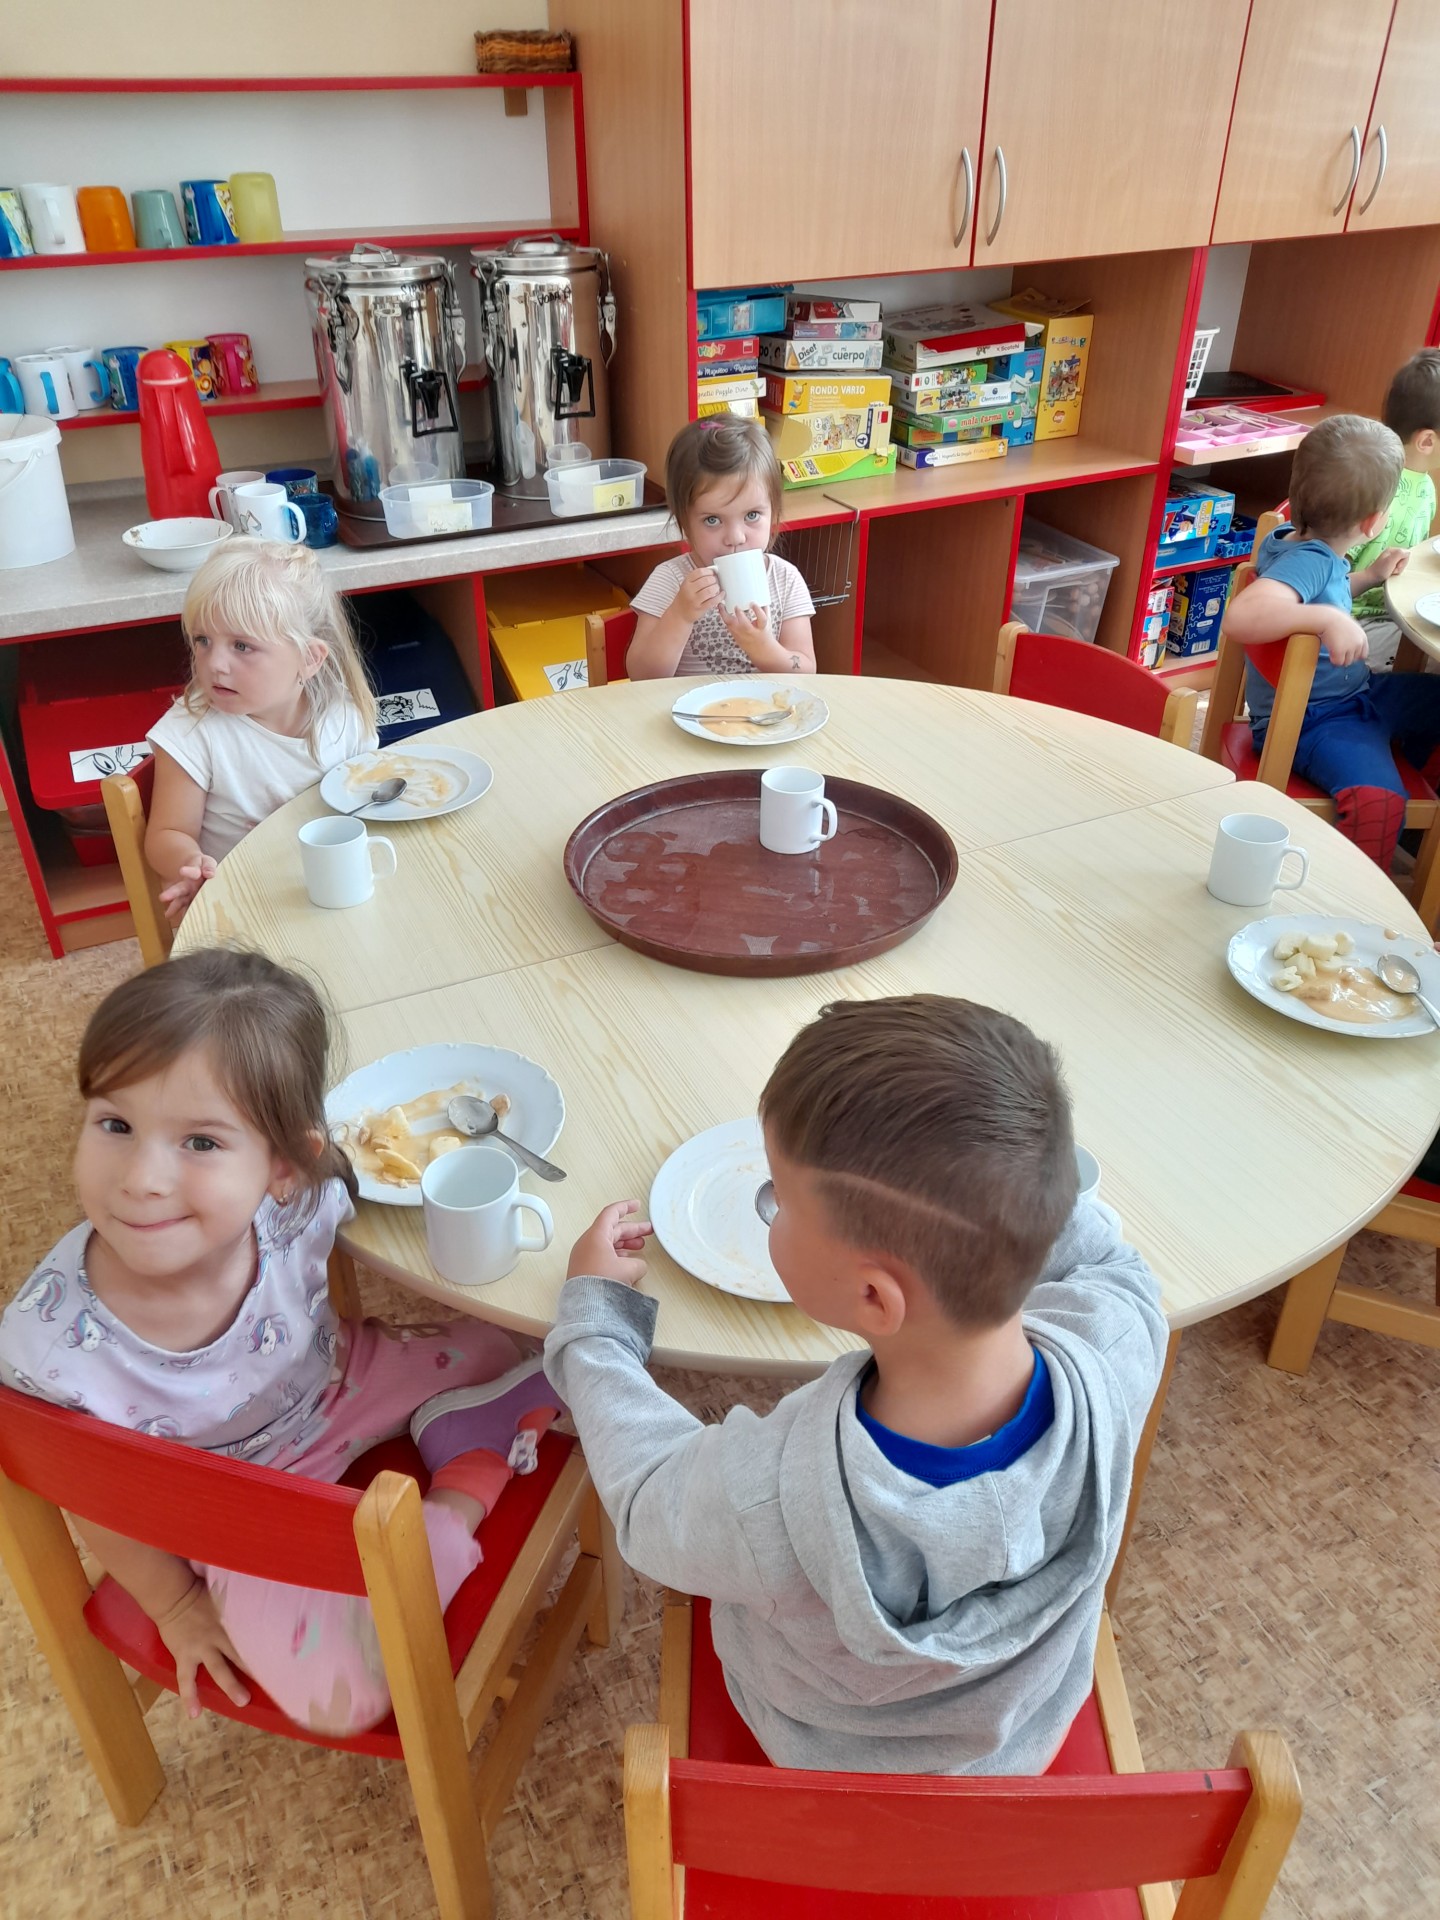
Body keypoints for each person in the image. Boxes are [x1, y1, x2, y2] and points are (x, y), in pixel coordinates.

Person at [544, 995, 1167, 1775]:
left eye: (779, 1200)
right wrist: (1008, 1192)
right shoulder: (1116, 1349)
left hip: (812, 1754)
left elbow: (645, 1493)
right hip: (1019, 1745)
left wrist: (596, 1323)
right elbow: (1107, 1260)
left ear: (873, 1297)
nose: (770, 1210)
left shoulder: (766, 1498)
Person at [0, 949, 564, 1737]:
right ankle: (456, 1501)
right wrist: (177, 1605)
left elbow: (364, 1164)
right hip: (230, 1515)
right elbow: (97, 1502)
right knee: (343, 1699)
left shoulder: (300, 1200)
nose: (141, 1178)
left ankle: (459, 1456)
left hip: (338, 1384)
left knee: (517, 1349)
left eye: (200, 1142)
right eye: (115, 1124)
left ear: (283, 1169)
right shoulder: (52, 1356)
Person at [1225, 413, 1440, 870]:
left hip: (1349, 698)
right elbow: (1241, 617)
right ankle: (1354, 894)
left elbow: (1324, 588)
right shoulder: (1312, 561)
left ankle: (1414, 823)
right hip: (1311, 720)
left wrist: (1369, 576)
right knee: (1381, 802)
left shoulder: (1297, 541)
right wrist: (1326, 618)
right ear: (1374, 521)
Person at [145, 539, 379, 925]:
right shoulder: (192, 732)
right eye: (203, 640)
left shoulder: (344, 717)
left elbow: (368, 803)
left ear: (309, 658)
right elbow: (166, 834)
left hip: (331, 896)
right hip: (243, 908)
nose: (215, 663)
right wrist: (190, 863)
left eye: (242, 646)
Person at [624, 417, 817, 678]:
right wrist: (679, 615)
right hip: (687, 705)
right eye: (712, 520)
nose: (735, 537)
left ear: (773, 511)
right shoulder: (670, 581)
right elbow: (641, 676)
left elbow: (806, 672)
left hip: (765, 705)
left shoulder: (785, 580)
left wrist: (763, 648)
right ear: (684, 522)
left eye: (752, 515)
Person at [1348, 350, 1440, 671]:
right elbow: (1324, 577)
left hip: (1392, 614)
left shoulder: (1425, 486)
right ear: (1427, 441)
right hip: (1354, 623)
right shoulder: (1373, 487)